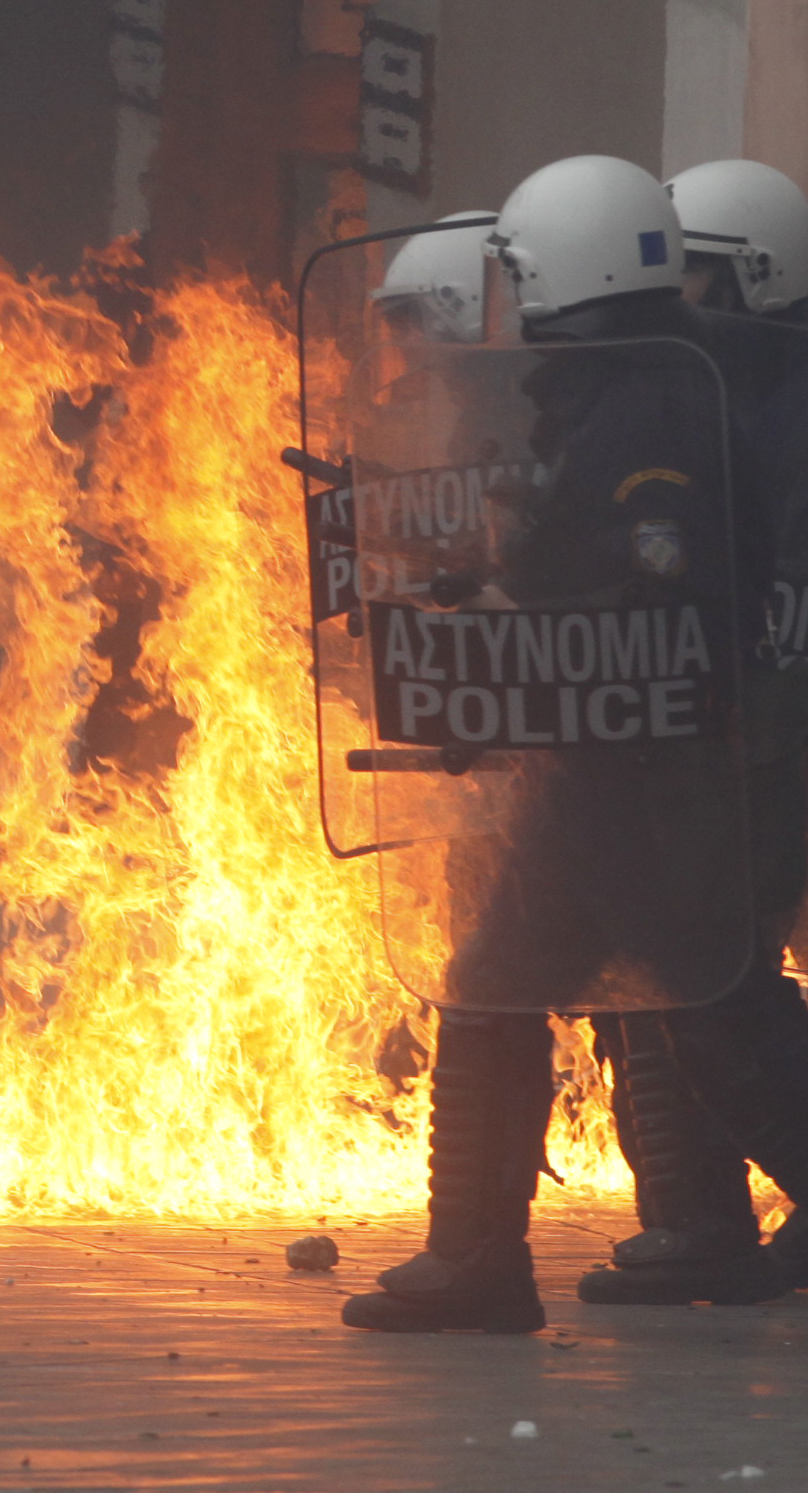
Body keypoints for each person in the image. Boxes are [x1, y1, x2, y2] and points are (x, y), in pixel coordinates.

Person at [342, 156, 764, 1332]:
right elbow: (572, 569)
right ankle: (482, 1256)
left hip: (635, 765)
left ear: (570, 264)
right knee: (554, 991)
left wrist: (513, 658)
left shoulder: (647, 408)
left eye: (523, 272)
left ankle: (488, 1257)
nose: (512, 296)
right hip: (606, 764)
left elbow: (646, 595)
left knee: (707, 1007)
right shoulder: (609, 390)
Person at [575, 158, 808, 1306]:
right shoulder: (717, 393)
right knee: (678, 971)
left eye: (699, 275)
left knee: (714, 978)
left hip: (764, 740)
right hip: (722, 740)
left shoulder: (783, 408)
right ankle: (696, 1216)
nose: (680, 304)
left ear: (757, 275)